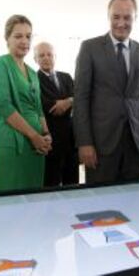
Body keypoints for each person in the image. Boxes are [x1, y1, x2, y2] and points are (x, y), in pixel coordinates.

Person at [73, 0, 139, 184]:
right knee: (99, 205)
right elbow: (81, 98)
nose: (121, 23)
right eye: (116, 17)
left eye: (127, 17)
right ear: (109, 17)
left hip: (134, 143)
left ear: (135, 18)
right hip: (100, 144)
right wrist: (84, 142)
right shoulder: (90, 48)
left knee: (133, 201)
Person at [0, 15, 51, 192]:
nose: (24, 41)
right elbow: (4, 106)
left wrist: (45, 134)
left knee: (32, 202)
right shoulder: (0, 65)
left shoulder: (32, 72)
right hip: (12, 145)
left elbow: (38, 108)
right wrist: (34, 136)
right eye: (18, 36)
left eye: (28, 36)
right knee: (9, 201)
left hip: (36, 148)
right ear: (7, 38)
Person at [35, 42, 79, 187]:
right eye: (41, 55)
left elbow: (79, 97)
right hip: (50, 141)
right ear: (35, 59)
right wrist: (69, 101)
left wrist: (69, 101)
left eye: (49, 54)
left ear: (55, 57)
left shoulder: (66, 77)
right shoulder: (34, 79)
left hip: (71, 140)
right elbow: (47, 105)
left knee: (72, 185)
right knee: (51, 185)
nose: (46, 58)